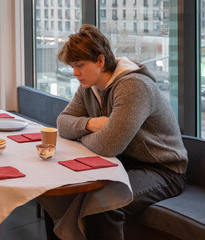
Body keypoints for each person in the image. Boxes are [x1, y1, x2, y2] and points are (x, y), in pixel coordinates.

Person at [53, 24, 188, 240]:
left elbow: (108, 146)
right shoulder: (88, 87)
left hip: (164, 170)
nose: (75, 73)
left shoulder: (133, 86)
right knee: (66, 189)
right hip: (124, 162)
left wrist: (81, 134)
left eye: (79, 65)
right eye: (73, 66)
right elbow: (62, 123)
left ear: (100, 60)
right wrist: (91, 124)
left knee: (104, 202)